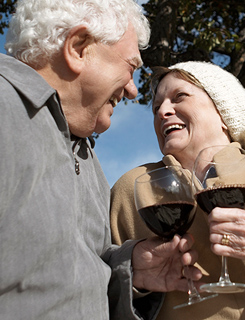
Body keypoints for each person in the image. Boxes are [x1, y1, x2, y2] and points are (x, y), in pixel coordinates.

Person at [0, 1, 202, 319]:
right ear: (79, 48)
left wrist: (131, 271)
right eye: (131, 68)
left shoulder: (87, 155)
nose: (134, 91)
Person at [110, 61, 245, 319]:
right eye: (156, 107)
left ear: (223, 113)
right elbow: (94, 289)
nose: (162, 111)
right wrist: (134, 281)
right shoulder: (129, 192)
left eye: (179, 97)